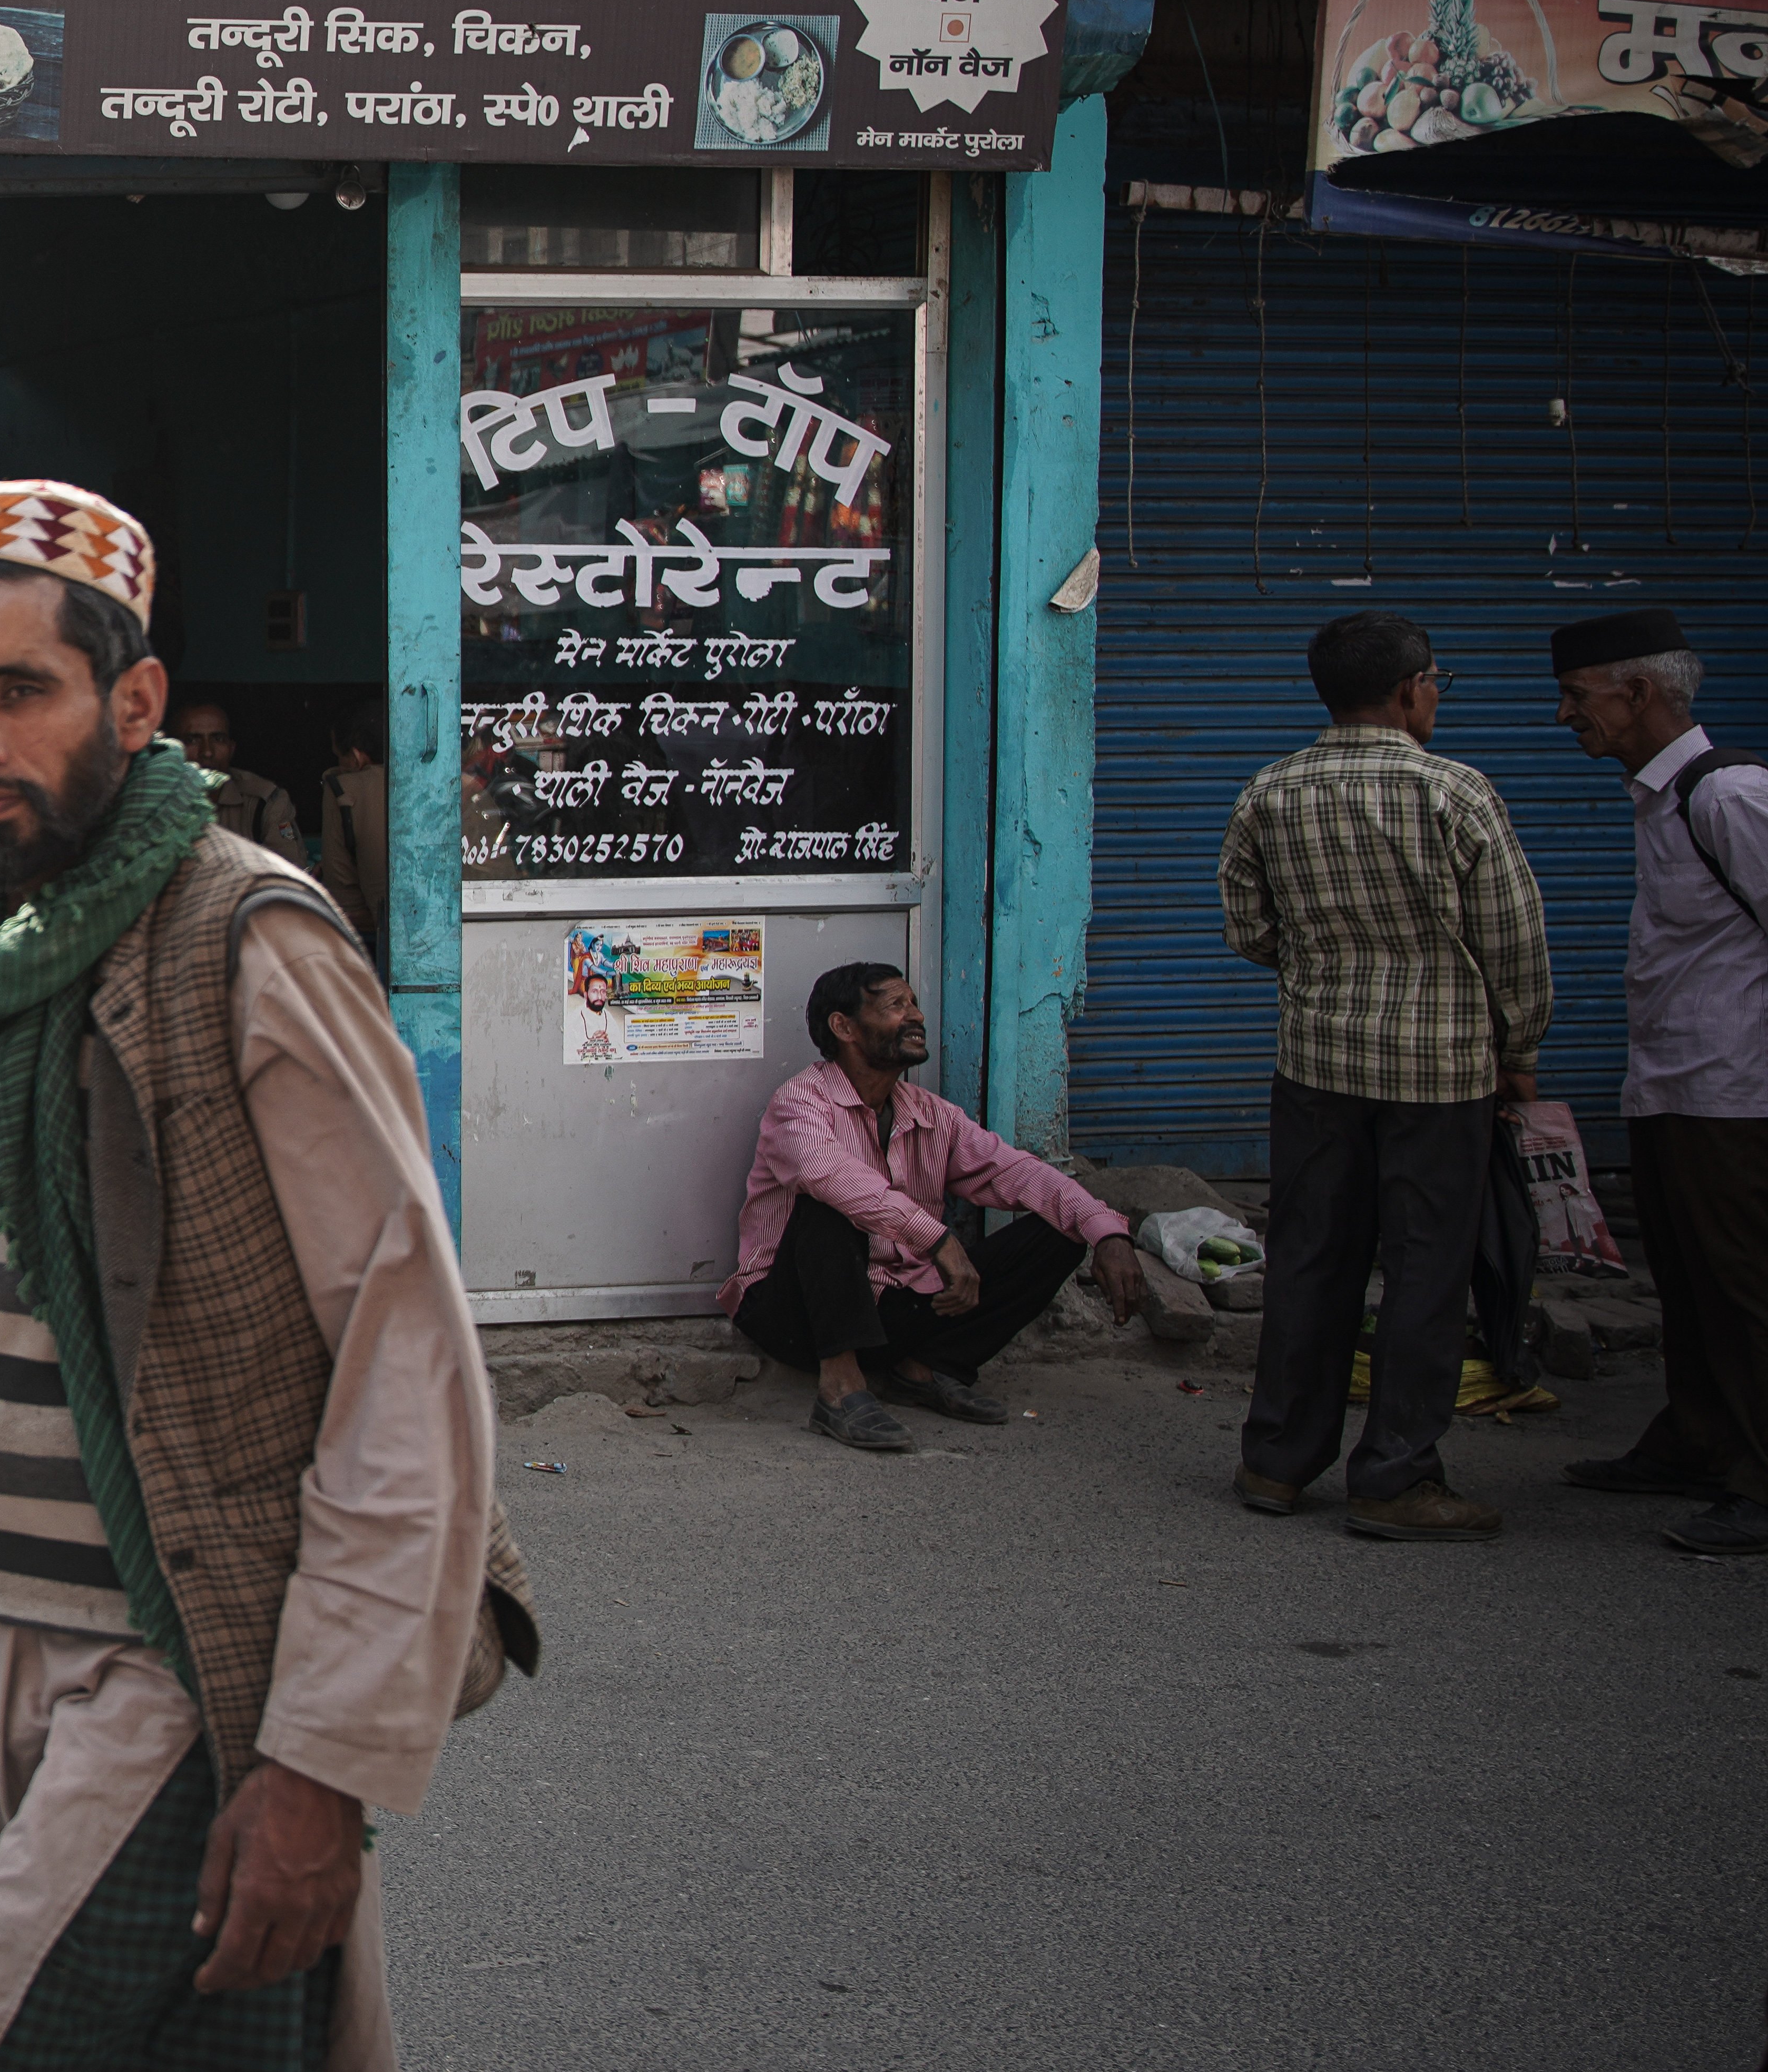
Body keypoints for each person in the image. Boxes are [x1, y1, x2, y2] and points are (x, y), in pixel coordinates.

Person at [0, 481, 530, 2072]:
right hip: (14, 1633)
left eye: (20, 689)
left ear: (137, 701)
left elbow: (408, 1355)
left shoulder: (247, 936)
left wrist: (322, 1761)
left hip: (184, 1653)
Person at [1219, 611, 1550, 1542]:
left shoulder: (1270, 789)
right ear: (1409, 689)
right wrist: (1517, 1047)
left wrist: (1328, 964)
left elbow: (1245, 929)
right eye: (1435, 680)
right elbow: (1512, 939)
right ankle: (1393, 1474)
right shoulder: (1453, 791)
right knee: (1422, 1271)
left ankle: (1273, 1461)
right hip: (1439, 1072)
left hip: (1316, 1062)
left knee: (1311, 1257)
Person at [1549, 607, 1768, 1559]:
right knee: (1685, 1282)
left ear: (1635, 691)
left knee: (1744, 1287)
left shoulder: (1727, 796)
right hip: (1672, 1086)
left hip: (1734, 1093)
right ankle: (1694, 1440)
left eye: (1576, 694)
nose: (1565, 715)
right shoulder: (1660, 799)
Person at [728, 962, 1151, 1452]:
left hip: (891, 1304)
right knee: (829, 1205)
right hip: (795, 1315)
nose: (916, 1016)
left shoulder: (931, 1114)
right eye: (895, 1006)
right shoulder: (799, 1104)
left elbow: (1017, 1172)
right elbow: (831, 1176)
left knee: (1060, 1231)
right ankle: (840, 1389)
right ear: (843, 1027)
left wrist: (1108, 1233)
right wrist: (940, 1239)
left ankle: (928, 1368)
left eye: (914, 1004)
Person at [170, 693, 306, 861]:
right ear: (171, 749)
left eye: (218, 739)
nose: (207, 752)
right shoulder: (152, 798)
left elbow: (289, 875)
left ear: (232, 749)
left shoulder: (263, 801)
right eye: (193, 740)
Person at [309, 697, 387, 956]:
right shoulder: (462, 782)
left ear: (355, 757)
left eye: (338, 756)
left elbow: (349, 910)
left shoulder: (343, 789)